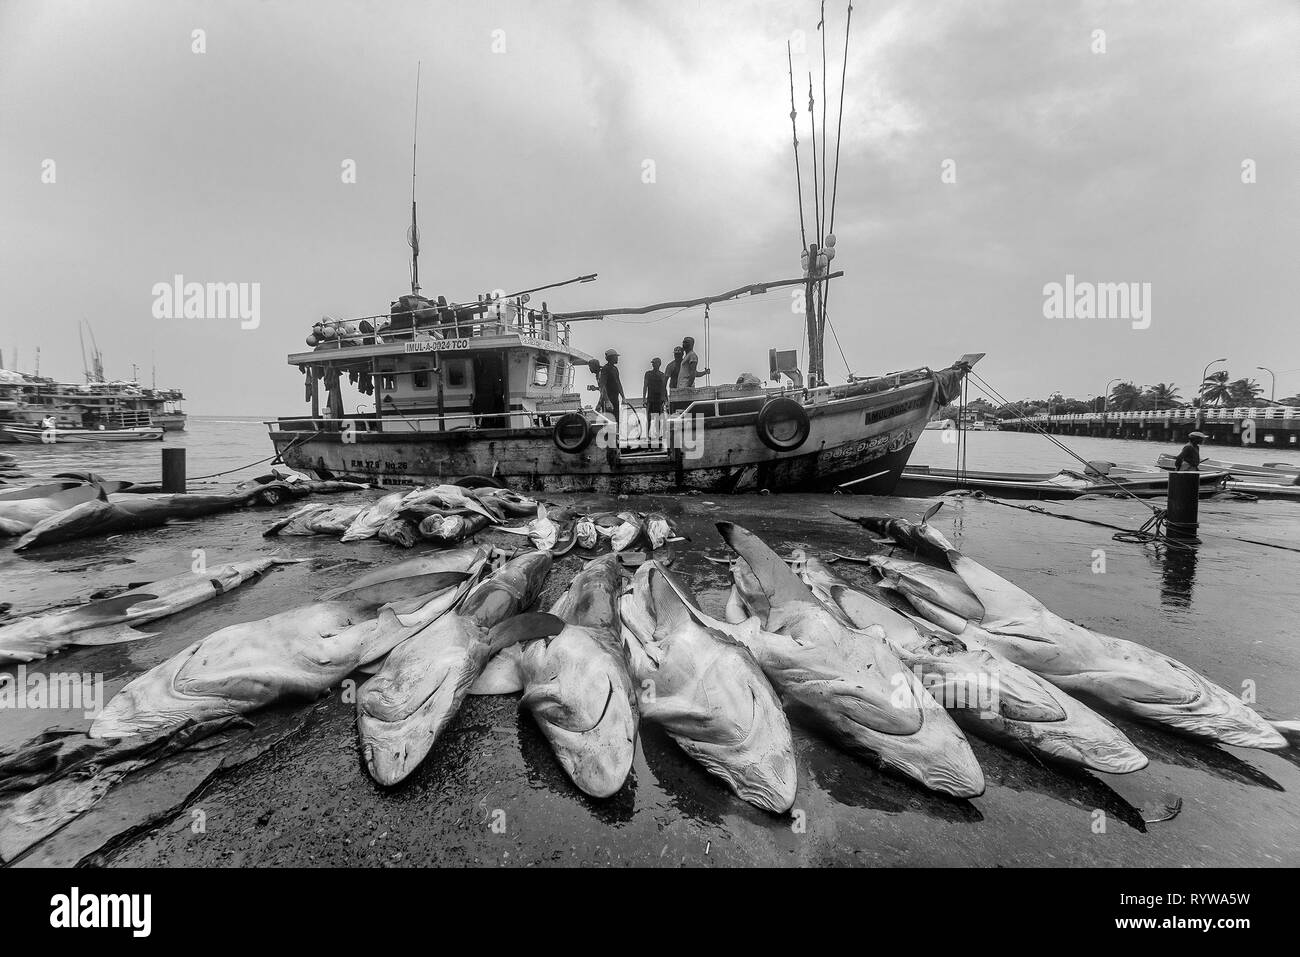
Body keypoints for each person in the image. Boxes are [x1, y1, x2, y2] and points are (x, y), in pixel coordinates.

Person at [598, 349, 625, 432]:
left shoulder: (615, 369)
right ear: (611, 358)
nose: (617, 359)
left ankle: (616, 439)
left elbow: (618, 383)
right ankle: (609, 441)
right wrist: (607, 401)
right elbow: (602, 386)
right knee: (609, 420)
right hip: (608, 399)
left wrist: (623, 397)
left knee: (616, 419)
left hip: (615, 398)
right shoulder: (605, 369)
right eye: (616, 357)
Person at [643, 357, 668, 440]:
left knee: (658, 418)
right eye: (652, 363)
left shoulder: (662, 375)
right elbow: (645, 386)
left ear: (659, 364)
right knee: (649, 418)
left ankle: (657, 435)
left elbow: (664, 388)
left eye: (655, 363)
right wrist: (644, 399)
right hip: (650, 399)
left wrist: (666, 400)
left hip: (659, 400)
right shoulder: (648, 374)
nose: (653, 364)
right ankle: (647, 436)